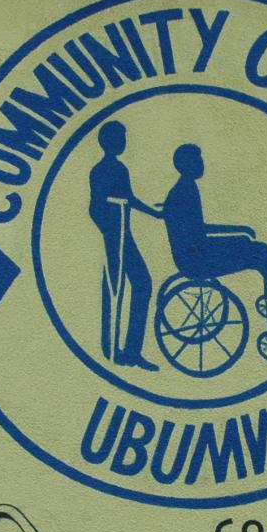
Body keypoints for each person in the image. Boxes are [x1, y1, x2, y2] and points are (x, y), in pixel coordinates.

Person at [160, 142, 267, 320]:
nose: (202, 164)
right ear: (188, 165)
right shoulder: (185, 191)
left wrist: (239, 233)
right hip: (196, 261)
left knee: (255, 248)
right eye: (198, 160)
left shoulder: (184, 188)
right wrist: (237, 236)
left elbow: (198, 231)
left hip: (194, 256)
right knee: (260, 251)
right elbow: (198, 235)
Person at [87, 119, 160, 370]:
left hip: (123, 235)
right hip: (114, 235)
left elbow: (129, 199)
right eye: (120, 138)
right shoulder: (99, 171)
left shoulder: (120, 169)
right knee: (114, 286)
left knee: (142, 283)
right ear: (108, 141)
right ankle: (110, 350)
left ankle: (131, 352)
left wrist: (155, 213)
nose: (123, 142)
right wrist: (109, 231)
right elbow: (94, 208)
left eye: (123, 138)